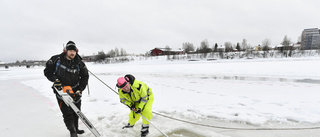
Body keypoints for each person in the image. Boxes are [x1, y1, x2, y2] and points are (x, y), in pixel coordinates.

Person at [44, 41, 89, 137]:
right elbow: (47, 71)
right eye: (70, 51)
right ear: (66, 51)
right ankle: (72, 131)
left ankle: (76, 129)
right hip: (61, 91)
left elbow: (85, 77)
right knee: (67, 113)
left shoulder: (79, 63)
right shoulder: (56, 60)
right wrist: (54, 79)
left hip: (75, 90)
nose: (72, 53)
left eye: (74, 51)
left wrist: (80, 89)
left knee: (76, 112)